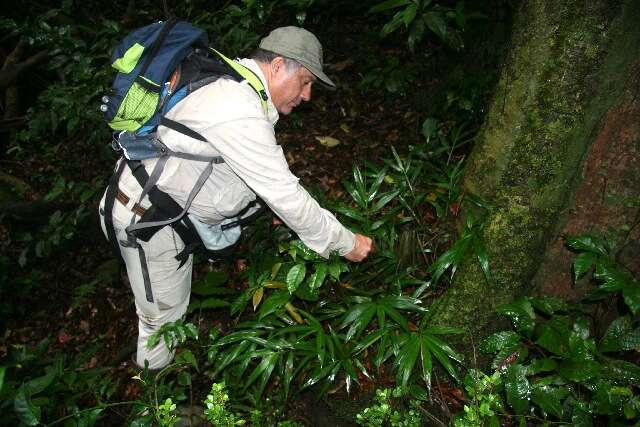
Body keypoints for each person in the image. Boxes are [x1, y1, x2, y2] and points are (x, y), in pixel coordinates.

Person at [98, 26, 374, 370]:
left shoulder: (235, 85)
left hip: (156, 213)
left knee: (165, 314)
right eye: (304, 82)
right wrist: (345, 243)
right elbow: (284, 193)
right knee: (161, 325)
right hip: (148, 223)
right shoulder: (236, 105)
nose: (307, 96)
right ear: (276, 66)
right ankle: (156, 403)